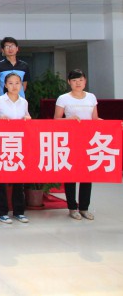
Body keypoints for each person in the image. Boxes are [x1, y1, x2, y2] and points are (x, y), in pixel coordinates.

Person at [54, 69, 99, 221]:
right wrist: (69, 120)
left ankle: (84, 207)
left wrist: (114, 125)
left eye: (80, 80)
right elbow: (56, 120)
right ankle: (72, 207)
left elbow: (95, 119)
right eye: (74, 80)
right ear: (69, 82)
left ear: (85, 81)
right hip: (70, 140)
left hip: (88, 140)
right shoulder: (63, 98)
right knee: (71, 174)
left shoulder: (91, 97)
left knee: (87, 174)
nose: (77, 83)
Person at [0, 72, 31, 224]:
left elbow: (27, 117)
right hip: (2, 144)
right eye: (11, 83)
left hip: (18, 144)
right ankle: (1, 211)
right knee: (1, 179)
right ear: (5, 85)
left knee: (19, 179)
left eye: (17, 83)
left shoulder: (24, 102)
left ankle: (19, 211)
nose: (14, 86)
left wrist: (28, 118)